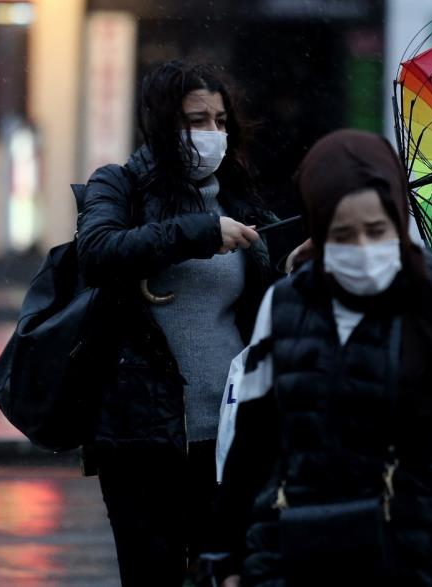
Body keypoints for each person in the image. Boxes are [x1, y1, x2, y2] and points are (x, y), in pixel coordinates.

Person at [218, 129, 432, 586]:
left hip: (414, 556)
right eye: (343, 235)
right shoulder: (286, 303)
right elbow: (253, 444)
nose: (364, 249)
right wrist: (226, 557)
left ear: (397, 221)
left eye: (376, 230)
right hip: (296, 555)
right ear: (318, 231)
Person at [75, 61, 281, 586]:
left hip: (230, 435)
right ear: (162, 123)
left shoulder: (239, 197)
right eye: (195, 120)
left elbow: (266, 291)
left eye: (218, 119)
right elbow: (96, 251)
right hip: (143, 436)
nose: (211, 133)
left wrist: (294, 264)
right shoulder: (120, 186)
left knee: (226, 573)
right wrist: (201, 232)